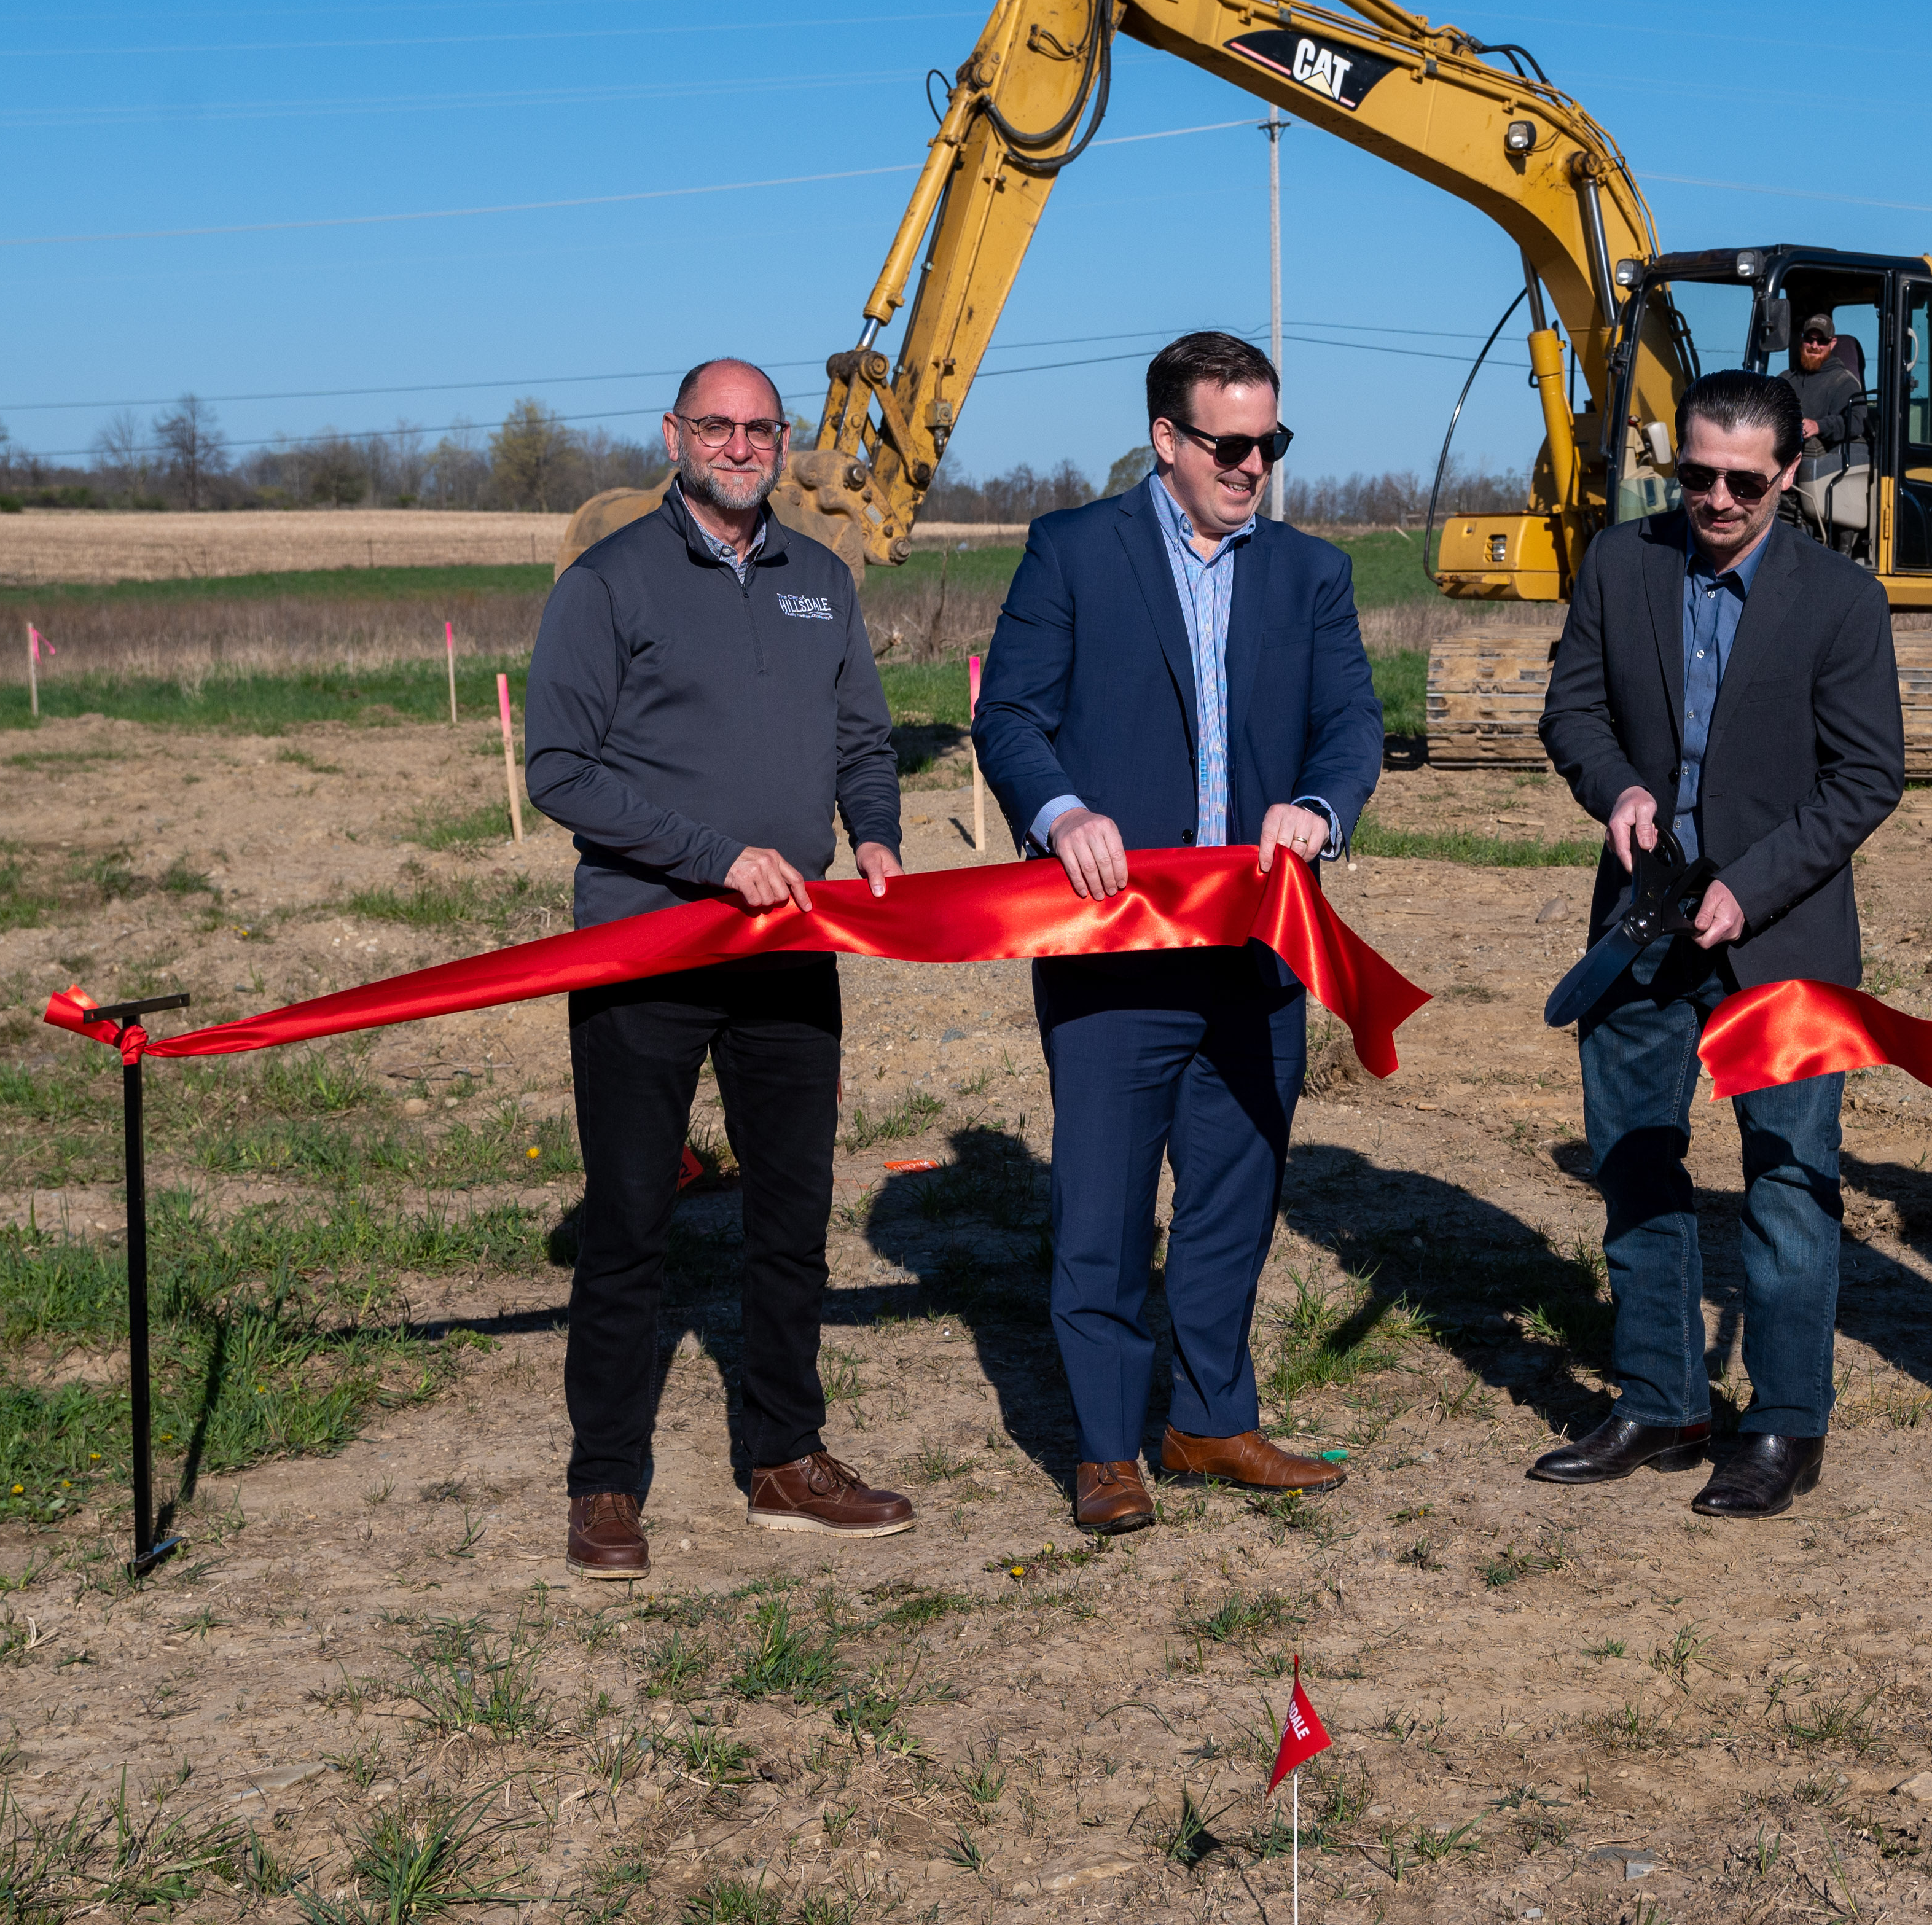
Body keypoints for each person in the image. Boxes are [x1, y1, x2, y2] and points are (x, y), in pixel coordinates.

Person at [972, 330, 1382, 1538]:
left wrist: (1317, 808)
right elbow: (1011, 720)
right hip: (1112, 950)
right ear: (1167, 438)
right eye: (1230, 443)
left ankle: (1210, 1417)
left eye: (1272, 441)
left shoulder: (1312, 573)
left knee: (1233, 1196)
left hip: (1257, 955)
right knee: (1100, 1206)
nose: (1254, 464)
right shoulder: (1074, 551)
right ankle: (1106, 1449)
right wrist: (1060, 812)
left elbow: (1351, 725)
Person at [526, 356, 917, 1582]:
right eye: (717, 426)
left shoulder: (823, 580)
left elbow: (861, 733)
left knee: (793, 1208)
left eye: (758, 428)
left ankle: (785, 1458)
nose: (739, 446)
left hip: (790, 938)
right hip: (648, 938)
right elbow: (560, 770)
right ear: (675, 435)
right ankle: (604, 1483)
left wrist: (879, 834)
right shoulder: (608, 580)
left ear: (783, 441)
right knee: (633, 1216)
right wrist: (711, 857)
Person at [1531, 369, 1903, 1518]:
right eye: (1696, 474)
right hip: (1640, 929)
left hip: (1778, 938)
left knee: (1787, 1187)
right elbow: (1571, 709)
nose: (1718, 498)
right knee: (1636, 1163)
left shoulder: (1840, 600)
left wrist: (1749, 885)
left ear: (1789, 470)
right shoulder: (1620, 565)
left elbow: (1864, 778)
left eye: (1745, 479)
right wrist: (1618, 791)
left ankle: (1785, 1423)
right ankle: (1660, 1393)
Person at [1786, 314, 1863, 444]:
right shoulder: (1785, 380)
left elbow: (1856, 423)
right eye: (1809, 340)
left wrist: (1818, 426)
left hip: (1822, 460)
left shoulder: (1844, 382)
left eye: (1822, 341)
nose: (1814, 346)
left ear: (1832, 343)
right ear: (1801, 339)